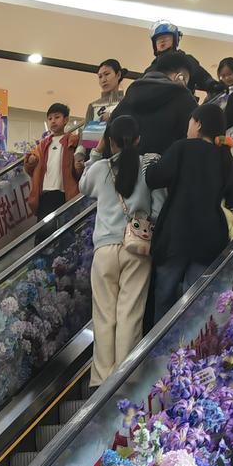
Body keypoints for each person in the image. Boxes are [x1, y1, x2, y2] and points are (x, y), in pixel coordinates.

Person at [77, 113, 163, 387]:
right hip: (135, 248)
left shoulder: (101, 168)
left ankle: (100, 381)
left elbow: (82, 186)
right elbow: (159, 207)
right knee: (130, 314)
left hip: (104, 250)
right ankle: (125, 381)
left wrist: (96, 153)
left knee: (103, 315)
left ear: (110, 141)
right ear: (138, 139)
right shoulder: (150, 166)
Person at [145, 102, 233, 323]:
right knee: (194, 303)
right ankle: (185, 352)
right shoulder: (225, 157)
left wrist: (149, 161)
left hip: (176, 234)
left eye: (191, 121)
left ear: (198, 123)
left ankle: (157, 353)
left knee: (165, 296)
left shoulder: (182, 147)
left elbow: (154, 177)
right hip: (209, 239)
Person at [112, 49, 198, 157]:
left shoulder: (130, 95)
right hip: (164, 171)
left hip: (122, 169)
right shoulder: (183, 98)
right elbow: (195, 142)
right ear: (180, 77)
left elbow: (110, 134)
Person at [24, 103, 82, 215]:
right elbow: (30, 169)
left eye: (57, 117)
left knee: (64, 229)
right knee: (44, 230)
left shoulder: (73, 140)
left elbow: (79, 165)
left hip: (65, 194)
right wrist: (31, 162)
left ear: (66, 120)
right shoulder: (42, 145)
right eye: (50, 118)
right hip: (44, 194)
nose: (53, 121)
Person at [144, 21, 220, 96]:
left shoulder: (187, 60)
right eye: (158, 39)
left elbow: (203, 78)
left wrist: (214, 85)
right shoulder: (152, 67)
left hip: (183, 103)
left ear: (175, 40)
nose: (162, 40)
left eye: (166, 37)